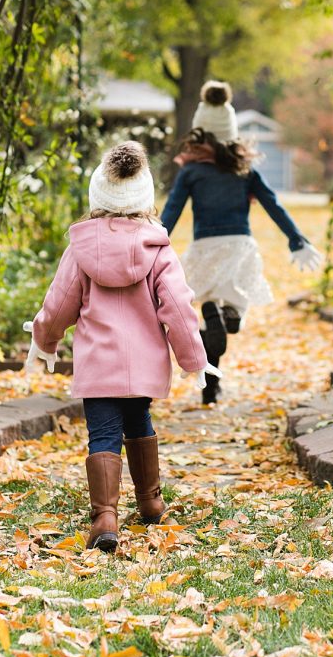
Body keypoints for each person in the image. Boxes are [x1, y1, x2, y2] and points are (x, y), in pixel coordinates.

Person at [24, 142, 214, 553]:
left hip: (97, 367)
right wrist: (193, 359)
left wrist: (45, 340)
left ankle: (105, 518)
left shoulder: (81, 249)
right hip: (142, 366)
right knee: (139, 422)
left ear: (98, 197)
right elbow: (178, 310)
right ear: (144, 199)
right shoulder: (158, 250)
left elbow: (58, 306)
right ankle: (149, 501)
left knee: (104, 434)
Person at [161, 80, 323, 404]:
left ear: (200, 132)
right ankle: (229, 324)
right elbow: (272, 203)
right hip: (239, 246)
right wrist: (296, 239)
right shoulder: (243, 168)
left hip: (206, 247)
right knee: (231, 307)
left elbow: (172, 211)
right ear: (231, 132)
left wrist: (153, 244)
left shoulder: (191, 172)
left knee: (208, 307)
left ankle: (210, 381)